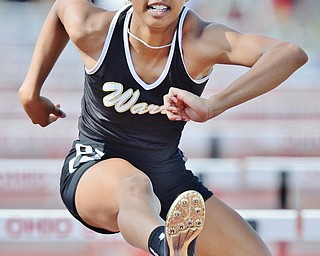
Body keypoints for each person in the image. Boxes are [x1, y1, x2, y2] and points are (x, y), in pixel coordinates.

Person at [19, 0, 308, 255]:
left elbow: (289, 53)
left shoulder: (198, 40)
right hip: (94, 167)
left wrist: (215, 104)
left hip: (167, 177)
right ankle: (165, 246)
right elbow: (61, 8)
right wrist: (30, 92)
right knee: (134, 187)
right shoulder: (97, 30)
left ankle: (170, 243)